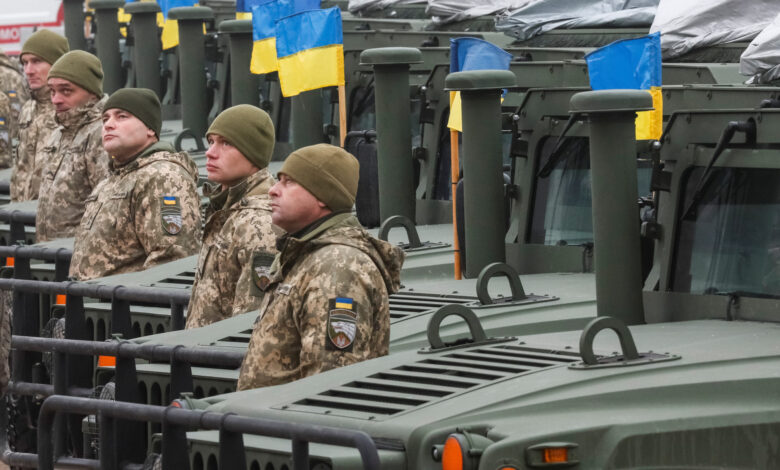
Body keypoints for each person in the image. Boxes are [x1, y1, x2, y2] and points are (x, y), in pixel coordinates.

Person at [236, 144, 405, 390]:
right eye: (279, 180)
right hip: (269, 412)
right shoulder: (308, 254)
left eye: (289, 182)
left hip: (289, 414)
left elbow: (328, 384)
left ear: (323, 196)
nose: (273, 190)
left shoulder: (338, 267)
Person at [69, 88, 201, 280]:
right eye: (105, 119)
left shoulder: (164, 177)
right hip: (91, 297)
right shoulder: (113, 179)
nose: (108, 125)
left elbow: (171, 261)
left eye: (122, 116)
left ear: (150, 129)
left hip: (124, 297)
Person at [186, 105, 282, 329]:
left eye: (226, 143)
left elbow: (247, 325)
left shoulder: (259, 224)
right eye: (211, 142)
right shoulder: (228, 208)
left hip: (222, 350)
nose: (210, 152)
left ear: (253, 153)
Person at [35, 50, 110, 241]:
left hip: (81, 252)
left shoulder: (104, 133)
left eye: (66, 91)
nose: (56, 100)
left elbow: (107, 210)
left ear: (91, 92)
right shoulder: (59, 133)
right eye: (52, 91)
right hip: (49, 251)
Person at [10, 29, 69, 201]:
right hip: (21, 211)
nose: (28, 70)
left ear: (57, 64)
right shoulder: (28, 109)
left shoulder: (70, 109)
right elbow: (20, 167)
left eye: (36, 61)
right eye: (25, 63)